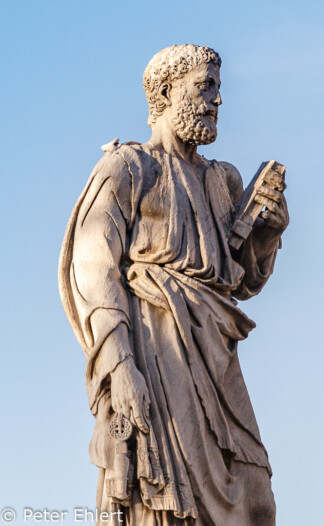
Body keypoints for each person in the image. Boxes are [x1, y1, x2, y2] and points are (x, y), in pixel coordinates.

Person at [59, 44, 289, 526]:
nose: (217, 100)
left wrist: (266, 233)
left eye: (219, 88)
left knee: (255, 492)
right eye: (205, 86)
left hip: (216, 359)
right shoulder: (127, 167)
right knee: (167, 498)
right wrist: (119, 366)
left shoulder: (222, 180)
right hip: (156, 353)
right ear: (166, 91)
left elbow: (240, 279)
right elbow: (93, 268)